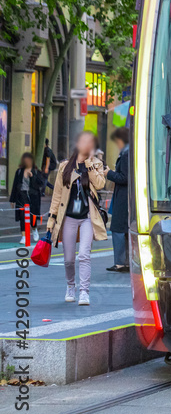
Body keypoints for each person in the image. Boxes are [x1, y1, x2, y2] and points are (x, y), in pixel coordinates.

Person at [47, 131, 107, 306]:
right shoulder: (65, 166)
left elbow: (100, 184)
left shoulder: (96, 163)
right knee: (68, 259)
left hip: (88, 217)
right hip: (69, 218)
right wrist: (51, 219)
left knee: (84, 255)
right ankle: (70, 286)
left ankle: (84, 292)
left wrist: (88, 164)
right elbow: (57, 195)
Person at [104, 128, 130, 273]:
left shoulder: (126, 154)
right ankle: (124, 262)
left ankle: (120, 262)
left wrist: (109, 173)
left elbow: (124, 177)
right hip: (124, 197)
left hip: (123, 197)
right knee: (123, 229)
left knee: (118, 229)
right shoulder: (129, 152)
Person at [11, 153, 45, 243]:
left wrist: (32, 176)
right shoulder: (19, 171)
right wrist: (12, 200)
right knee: (22, 216)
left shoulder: (36, 171)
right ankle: (23, 236)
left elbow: (40, 184)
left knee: (32, 216)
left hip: (33, 197)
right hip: (21, 196)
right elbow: (15, 185)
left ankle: (34, 229)